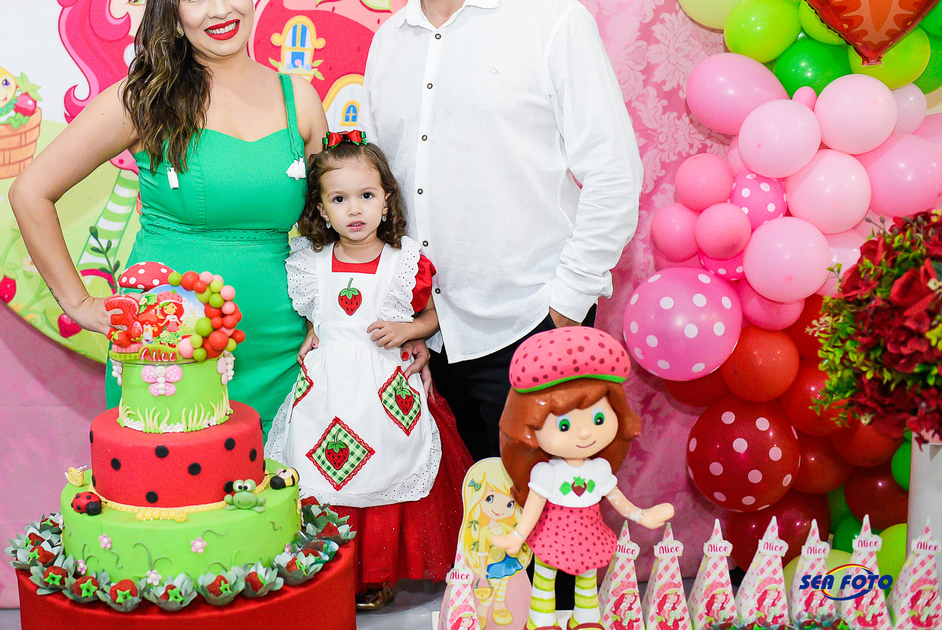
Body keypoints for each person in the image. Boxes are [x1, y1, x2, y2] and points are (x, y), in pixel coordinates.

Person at [359, 0, 644, 464]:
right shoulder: (388, 43)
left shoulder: (550, 18)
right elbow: (382, 190)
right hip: (429, 336)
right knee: (469, 513)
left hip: (532, 324)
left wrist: (565, 305)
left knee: (553, 510)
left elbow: (614, 173)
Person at [10, 0, 328, 432]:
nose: (220, 8)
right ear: (173, 13)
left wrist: (330, 314)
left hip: (285, 352)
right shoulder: (143, 100)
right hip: (165, 353)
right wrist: (78, 303)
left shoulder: (301, 100)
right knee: (173, 484)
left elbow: (325, 227)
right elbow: (30, 192)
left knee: (277, 484)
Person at [265, 135, 472, 610]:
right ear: (321, 210)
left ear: (387, 200)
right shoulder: (309, 263)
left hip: (385, 394)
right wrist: (315, 329)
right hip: (327, 394)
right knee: (320, 472)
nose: (354, 209)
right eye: (339, 199)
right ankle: (329, 569)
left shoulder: (405, 263)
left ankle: (376, 574)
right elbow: (319, 316)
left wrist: (409, 329)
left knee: (386, 470)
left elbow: (435, 313)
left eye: (366, 195)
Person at [491, 327, 673, 630]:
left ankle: (586, 618)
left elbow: (616, 498)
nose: (586, 432)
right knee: (544, 578)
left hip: (589, 533)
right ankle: (541, 620)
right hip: (551, 534)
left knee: (587, 578)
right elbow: (534, 506)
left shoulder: (599, 469)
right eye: (564, 426)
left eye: (599, 418)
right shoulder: (546, 472)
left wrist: (642, 515)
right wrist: (518, 536)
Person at [456, 458, 533, 628]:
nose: (499, 509)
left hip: (507, 561)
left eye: (509, 503)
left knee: (503, 584)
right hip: (491, 564)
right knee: (490, 586)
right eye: (490, 498)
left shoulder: (508, 526)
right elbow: (482, 550)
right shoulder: (483, 530)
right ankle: (483, 610)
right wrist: (483, 572)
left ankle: (499, 606)